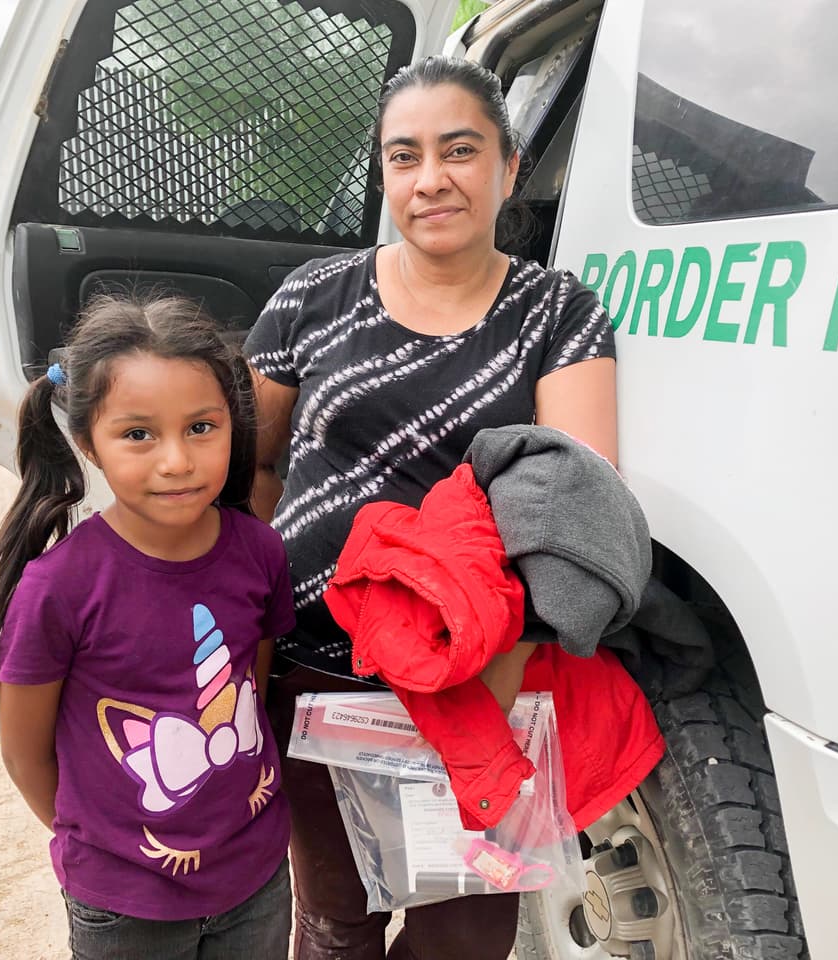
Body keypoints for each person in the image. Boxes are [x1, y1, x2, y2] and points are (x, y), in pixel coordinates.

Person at [245, 56, 618, 960]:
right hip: (313, 670)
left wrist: (489, 678)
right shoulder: (311, 299)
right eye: (404, 156)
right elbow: (252, 471)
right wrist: (246, 636)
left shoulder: (556, 315)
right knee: (336, 921)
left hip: (477, 681)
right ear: (384, 174)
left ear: (509, 166)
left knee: (464, 934)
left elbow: (577, 510)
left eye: (459, 150)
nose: (431, 179)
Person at [0, 295, 295, 960]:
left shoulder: (260, 551)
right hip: (124, 907)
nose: (176, 461)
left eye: (201, 427)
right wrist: (109, 855)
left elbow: (246, 686)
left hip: (256, 881)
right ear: (87, 442)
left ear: (234, 425)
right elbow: (26, 754)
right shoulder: (59, 589)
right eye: (138, 434)